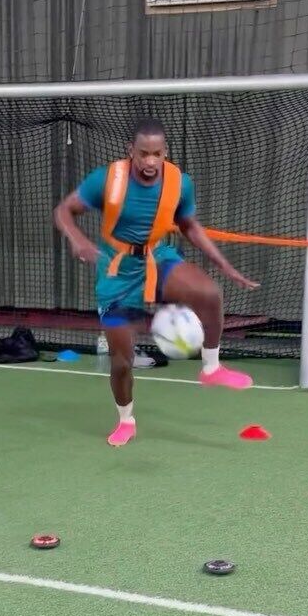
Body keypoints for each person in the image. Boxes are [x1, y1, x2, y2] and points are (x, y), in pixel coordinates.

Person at [54, 118, 259, 445]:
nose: (150, 161)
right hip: (118, 273)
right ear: (131, 151)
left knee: (209, 294)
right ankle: (126, 420)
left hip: (157, 257)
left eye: (157, 154)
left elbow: (189, 226)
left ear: (165, 152)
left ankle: (211, 367)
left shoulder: (179, 182)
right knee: (122, 363)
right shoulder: (107, 179)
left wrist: (225, 265)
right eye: (144, 154)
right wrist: (77, 240)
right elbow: (64, 211)